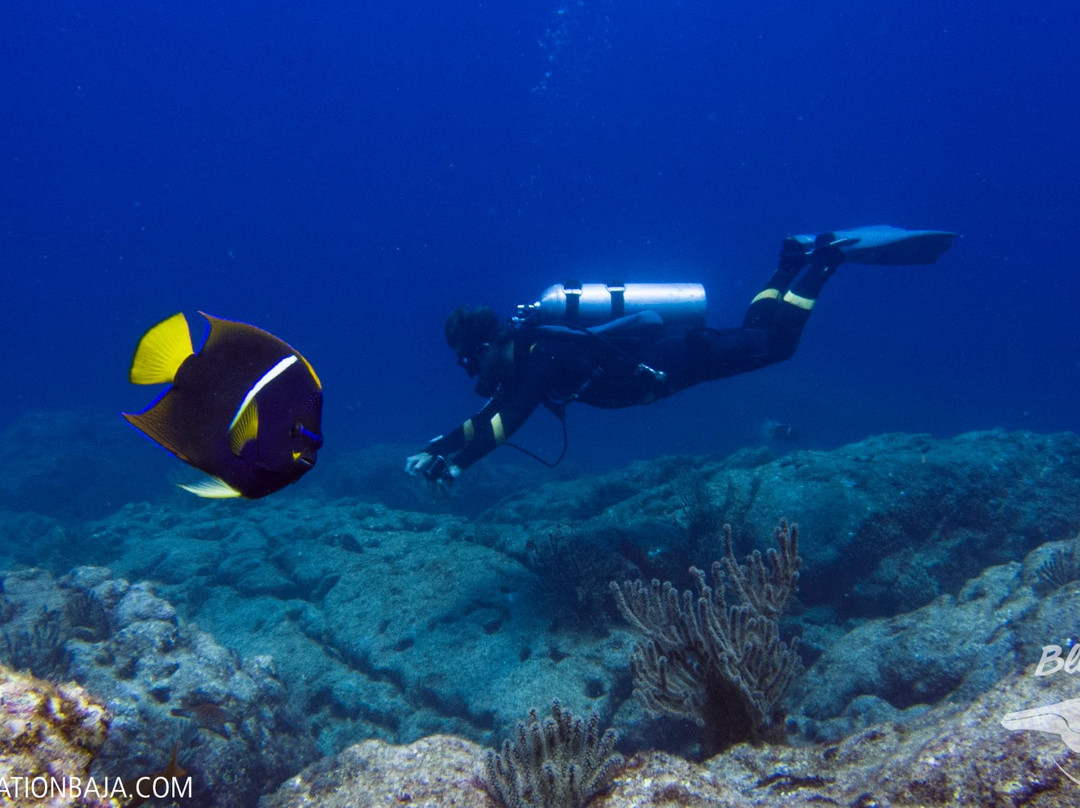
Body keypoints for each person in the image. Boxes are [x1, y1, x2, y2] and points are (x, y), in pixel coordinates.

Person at [405, 227, 954, 491]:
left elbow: (506, 420)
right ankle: (792, 259)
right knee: (761, 334)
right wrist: (437, 449)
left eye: (467, 363)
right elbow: (491, 415)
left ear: (481, 348)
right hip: (671, 363)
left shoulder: (539, 351)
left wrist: (456, 463)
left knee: (775, 343)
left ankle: (825, 259)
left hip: (676, 357)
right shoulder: (530, 355)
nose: (472, 376)